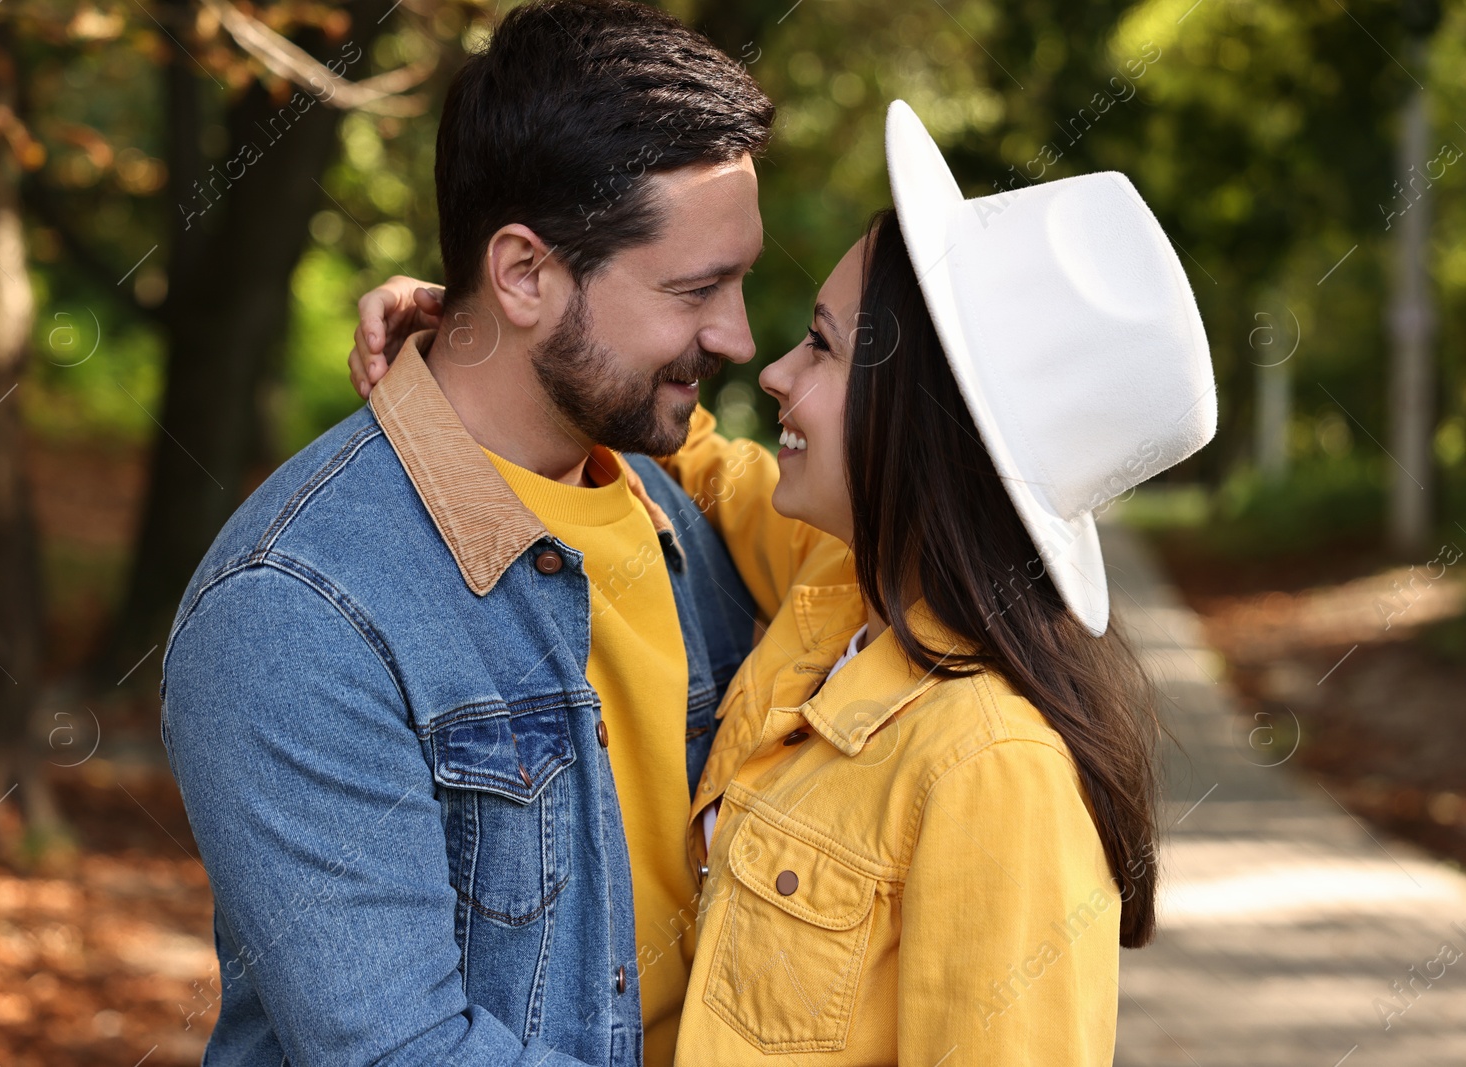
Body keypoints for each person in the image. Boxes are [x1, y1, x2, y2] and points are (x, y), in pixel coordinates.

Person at [351, 101, 1217, 1062]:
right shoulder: (841, 584)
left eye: (821, 345)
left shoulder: (995, 770)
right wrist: (492, 328)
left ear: (920, 419)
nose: (771, 371)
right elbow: (703, 460)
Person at [160, 3, 789, 1064]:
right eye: (695, 289)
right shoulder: (296, 608)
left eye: (739, 281)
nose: (737, 334)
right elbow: (402, 1049)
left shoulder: (681, 510)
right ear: (524, 273)